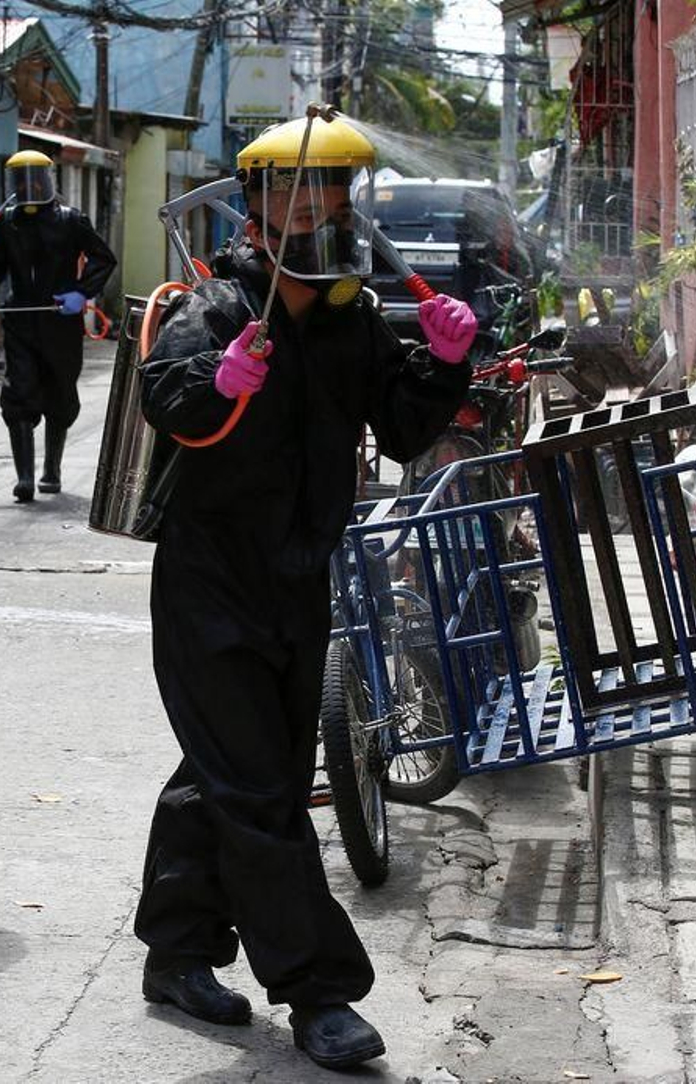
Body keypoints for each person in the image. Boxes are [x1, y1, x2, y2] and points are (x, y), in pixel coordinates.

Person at [131, 115, 476, 1070]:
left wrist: (444, 365)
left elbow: (402, 431)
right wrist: (219, 376)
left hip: (299, 581)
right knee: (254, 787)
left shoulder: (351, 317)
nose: (314, 204)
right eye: (292, 189)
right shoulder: (214, 306)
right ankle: (319, 989)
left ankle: (177, 949)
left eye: (329, 189)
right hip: (208, 586)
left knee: (246, 777)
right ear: (254, 205)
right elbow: (167, 393)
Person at [0, 149, 116, 501]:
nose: (28, 184)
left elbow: (103, 258)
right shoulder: (7, 223)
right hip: (22, 322)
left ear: (48, 179)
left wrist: (81, 293)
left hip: (61, 323)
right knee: (19, 393)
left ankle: (51, 470)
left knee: (60, 393)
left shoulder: (71, 220)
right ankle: (24, 477)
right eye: (20, 178)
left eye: (34, 177)